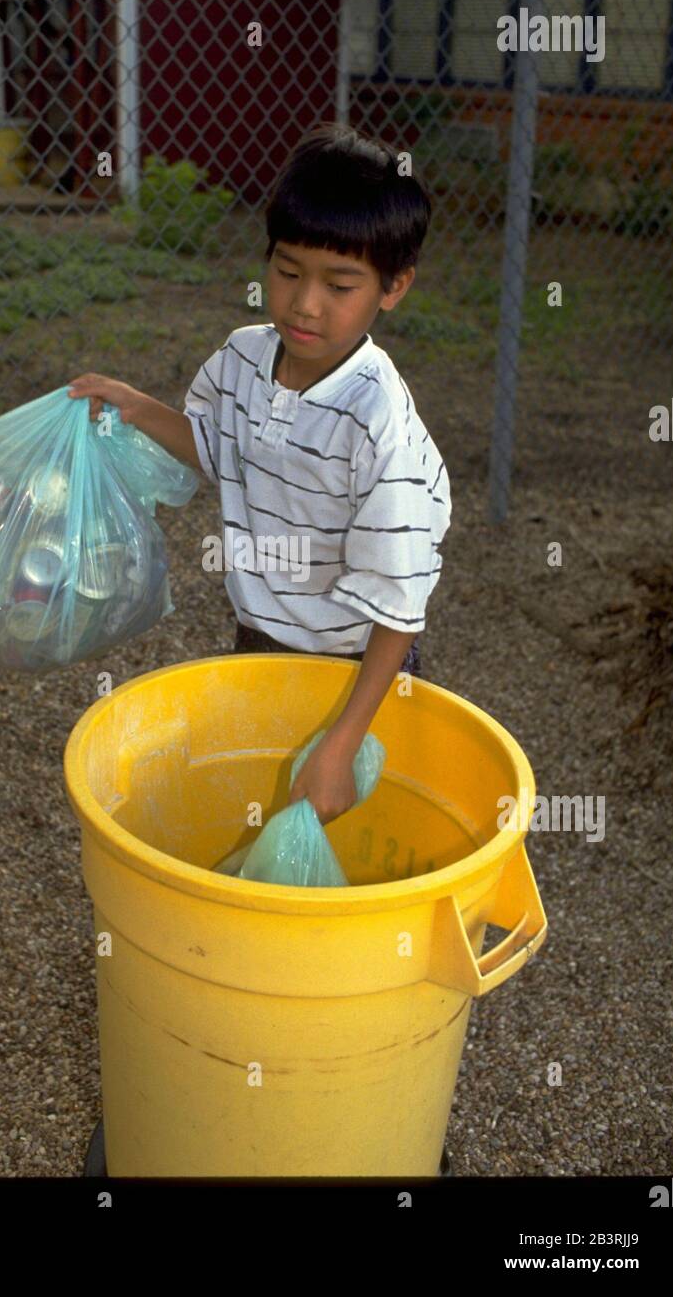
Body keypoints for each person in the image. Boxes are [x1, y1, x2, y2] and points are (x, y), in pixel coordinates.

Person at [68, 122, 451, 828]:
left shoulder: (377, 423)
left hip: (356, 666)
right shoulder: (243, 359)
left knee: (351, 814)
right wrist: (137, 408)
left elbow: (399, 608)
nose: (305, 303)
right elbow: (218, 447)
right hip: (261, 638)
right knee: (265, 802)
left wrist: (345, 738)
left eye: (340, 284)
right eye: (286, 270)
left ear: (393, 288)